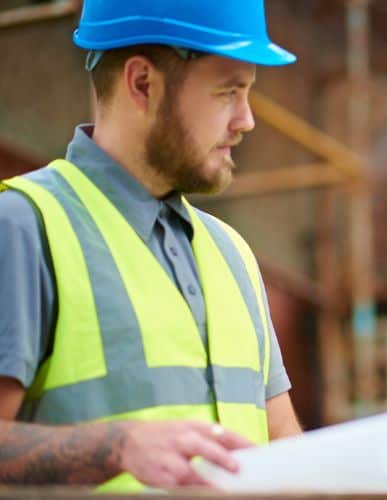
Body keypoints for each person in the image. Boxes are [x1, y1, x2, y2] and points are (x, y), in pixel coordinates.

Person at [0, 0, 301, 490]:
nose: (246, 120)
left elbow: (281, 436)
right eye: (229, 92)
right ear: (143, 84)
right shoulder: (24, 228)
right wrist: (118, 446)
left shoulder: (232, 253)